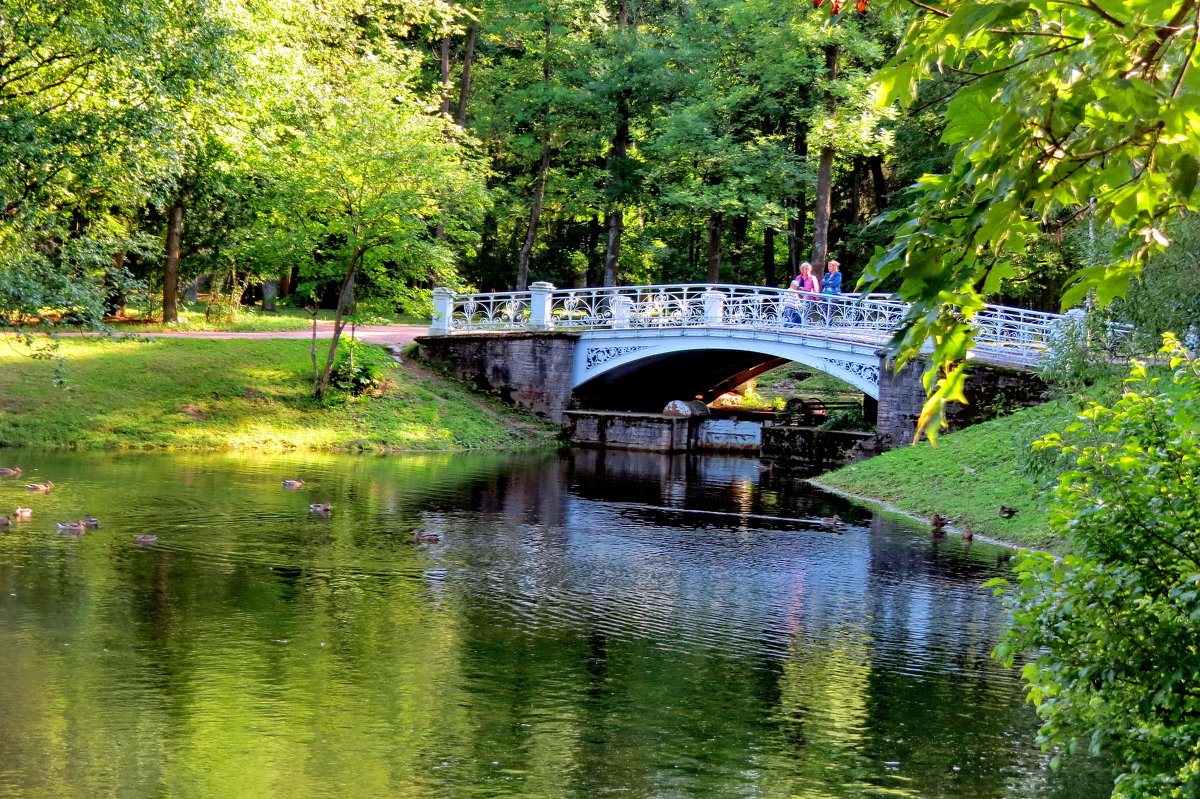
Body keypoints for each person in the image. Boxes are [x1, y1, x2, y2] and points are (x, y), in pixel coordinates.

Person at [820, 260, 842, 324]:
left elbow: (835, 283)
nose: (828, 268)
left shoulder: (838, 274)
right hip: (825, 294)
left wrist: (826, 283)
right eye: (828, 266)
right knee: (823, 310)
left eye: (830, 266)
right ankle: (823, 324)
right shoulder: (827, 274)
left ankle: (829, 324)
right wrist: (828, 282)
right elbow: (822, 282)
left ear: (834, 267)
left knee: (830, 311)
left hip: (834, 294)